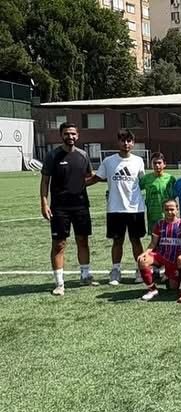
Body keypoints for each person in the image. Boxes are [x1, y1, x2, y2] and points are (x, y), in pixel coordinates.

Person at [40, 122, 95, 295]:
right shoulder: (52, 155)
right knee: (59, 244)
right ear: (61, 135)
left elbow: (89, 177)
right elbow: (45, 181)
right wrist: (44, 203)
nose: (70, 136)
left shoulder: (83, 155)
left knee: (83, 240)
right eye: (66, 133)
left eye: (73, 133)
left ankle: (85, 276)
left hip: (81, 205)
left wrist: (108, 177)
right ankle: (59, 283)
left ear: (77, 136)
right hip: (60, 208)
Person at [87, 128, 146, 286]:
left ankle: (140, 270)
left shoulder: (139, 161)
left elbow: (143, 181)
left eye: (129, 141)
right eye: (123, 140)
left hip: (135, 208)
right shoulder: (108, 161)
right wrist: (77, 184)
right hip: (115, 209)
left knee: (136, 241)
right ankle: (115, 270)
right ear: (118, 142)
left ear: (133, 143)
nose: (126, 143)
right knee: (117, 241)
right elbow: (97, 178)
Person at [137, 199, 181, 301]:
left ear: (177, 209)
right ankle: (152, 289)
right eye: (166, 210)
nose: (169, 212)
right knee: (142, 260)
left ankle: (168, 275)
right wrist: (144, 253)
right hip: (161, 256)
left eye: (172, 209)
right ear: (163, 210)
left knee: (173, 288)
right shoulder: (159, 224)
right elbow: (153, 243)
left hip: (175, 260)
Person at [139, 152, 176, 234]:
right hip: (152, 213)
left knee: (168, 236)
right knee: (155, 237)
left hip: (168, 213)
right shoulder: (146, 179)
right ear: (151, 164)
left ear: (164, 164)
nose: (157, 165)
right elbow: (136, 190)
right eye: (154, 163)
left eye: (159, 163)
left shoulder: (171, 178)